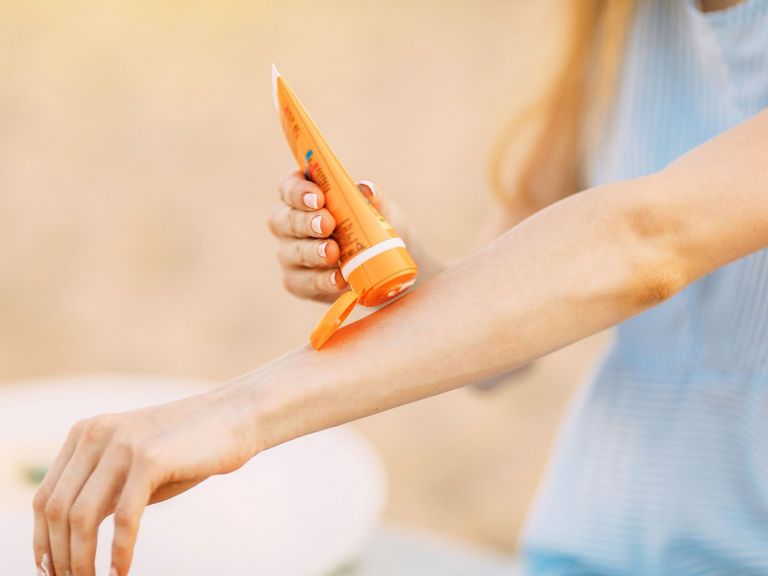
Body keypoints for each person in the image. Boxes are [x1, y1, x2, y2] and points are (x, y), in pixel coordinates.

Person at [32, 0, 768, 574]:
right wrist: (396, 263)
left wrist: (238, 413)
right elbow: (506, 347)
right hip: (585, 551)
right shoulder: (615, 22)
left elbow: (645, 240)